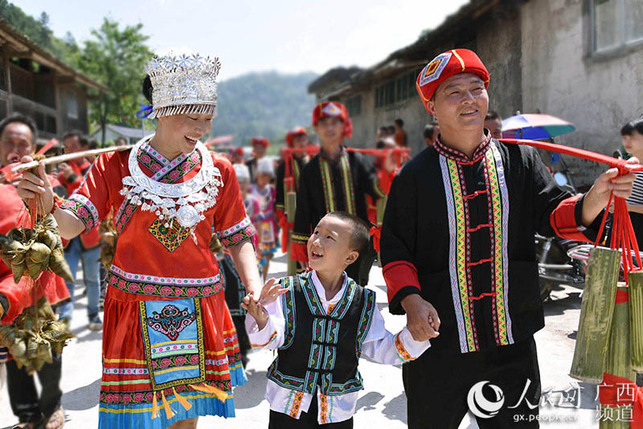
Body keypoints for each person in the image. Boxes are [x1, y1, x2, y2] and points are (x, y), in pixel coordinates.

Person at [380, 48, 637, 428]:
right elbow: (395, 247)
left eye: (476, 89)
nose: (469, 99)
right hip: (440, 343)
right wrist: (412, 300)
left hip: (511, 341)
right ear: (431, 107)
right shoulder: (413, 177)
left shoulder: (521, 161)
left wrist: (596, 196)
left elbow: (554, 215)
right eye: (454, 92)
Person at [17, 54, 265, 429]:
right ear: (161, 110)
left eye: (208, 117)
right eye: (192, 117)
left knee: (186, 415)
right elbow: (71, 225)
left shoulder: (220, 169)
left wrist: (255, 287)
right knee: (141, 418)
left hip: (199, 306)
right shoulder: (114, 165)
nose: (202, 128)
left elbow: (238, 236)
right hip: (134, 306)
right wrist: (48, 201)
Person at [244, 212, 431, 428]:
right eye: (316, 232)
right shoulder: (286, 290)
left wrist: (416, 336)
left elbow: (382, 348)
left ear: (350, 258)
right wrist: (261, 319)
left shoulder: (362, 302)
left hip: (336, 411)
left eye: (328, 237)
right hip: (288, 407)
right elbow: (270, 340)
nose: (316, 241)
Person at [0, 113, 70, 429]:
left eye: (22, 143)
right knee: (15, 356)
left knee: (46, 353)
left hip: (37, 284)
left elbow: (61, 236)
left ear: (33, 149)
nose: (15, 149)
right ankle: (27, 415)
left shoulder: (44, 186)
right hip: (4, 287)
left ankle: (53, 407)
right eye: (8, 142)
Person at [291, 102, 393, 286]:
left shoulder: (358, 161)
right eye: (324, 123)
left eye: (335, 122)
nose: (330, 128)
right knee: (326, 292)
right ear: (317, 128)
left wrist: (387, 171)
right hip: (325, 245)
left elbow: (377, 192)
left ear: (343, 126)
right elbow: (303, 210)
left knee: (355, 291)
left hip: (356, 245)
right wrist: (301, 248)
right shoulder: (310, 169)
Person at [55, 130, 102, 330]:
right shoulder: (62, 173)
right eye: (66, 147)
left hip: (90, 234)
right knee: (67, 277)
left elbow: (89, 193)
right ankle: (65, 318)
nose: (68, 151)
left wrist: (72, 177)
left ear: (84, 148)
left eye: (72, 146)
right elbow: (57, 196)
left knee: (92, 278)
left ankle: (93, 315)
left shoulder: (95, 169)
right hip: (68, 238)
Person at [275, 127, 310, 250]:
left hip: (312, 214)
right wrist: (282, 216)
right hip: (293, 215)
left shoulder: (314, 162)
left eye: (303, 139)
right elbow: (279, 194)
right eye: (298, 140)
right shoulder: (284, 166)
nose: (302, 143)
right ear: (292, 143)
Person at [250, 158, 278, 281]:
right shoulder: (250, 189)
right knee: (253, 253)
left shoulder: (271, 190)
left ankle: (263, 279)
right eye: (262, 176)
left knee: (266, 254)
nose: (264, 179)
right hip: (254, 225)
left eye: (267, 176)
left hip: (269, 227)